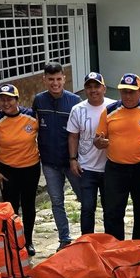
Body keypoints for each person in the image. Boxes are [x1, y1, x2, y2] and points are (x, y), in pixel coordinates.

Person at [96, 73, 140, 240]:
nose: (128, 96)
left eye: (132, 92)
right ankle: (115, 248)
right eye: (124, 91)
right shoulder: (109, 112)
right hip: (116, 169)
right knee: (113, 211)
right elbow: (98, 139)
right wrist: (99, 142)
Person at [0, 83, 40, 255]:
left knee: (29, 206)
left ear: (17, 99)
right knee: (10, 208)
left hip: (31, 168)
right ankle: (13, 242)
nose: (6, 103)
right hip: (7, 170)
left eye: (9, 99)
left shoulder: (31, 116)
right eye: (2, 100)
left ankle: (28, 241)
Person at [32, 63, 81, 249]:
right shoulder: (39, 101)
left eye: (58, 79)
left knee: (84, 199)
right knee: (57, 202)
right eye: (51, 79)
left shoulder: (75, 101)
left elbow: (80, 133)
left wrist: (75, 158)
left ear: (64, 78)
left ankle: (88, 237)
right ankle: (64, 239)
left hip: (72, 161)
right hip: (49, 162)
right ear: (44, 79)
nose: (55, 83)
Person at [65, 72, 110, 236]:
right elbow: (73, 136)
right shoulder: (77, 110)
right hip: (86, 167)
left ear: (103, 88)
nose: (93, 90)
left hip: (109, 166)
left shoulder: (113, 107)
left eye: (97, 86)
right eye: (89, 87)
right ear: (84, 90)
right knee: (87, 207)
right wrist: (73, 159)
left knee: (109, 208)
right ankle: (87, 242)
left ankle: (109, 242)